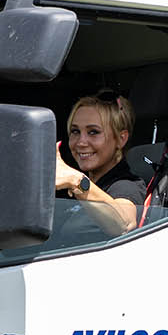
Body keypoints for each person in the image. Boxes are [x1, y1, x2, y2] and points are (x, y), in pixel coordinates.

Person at [49, 91, 143, 245]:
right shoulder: (68, 188)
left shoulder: (125, 185)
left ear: (121, 138)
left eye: (93, 132)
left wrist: (75, 181)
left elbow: (124, 224)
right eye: (75, 131)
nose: (81, 142)